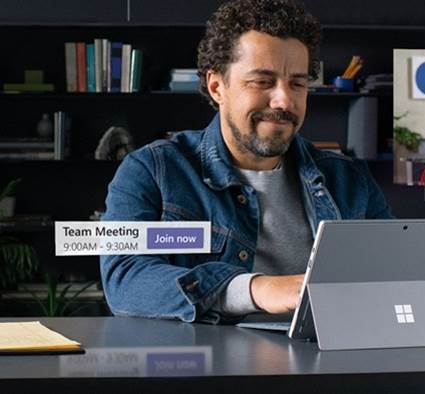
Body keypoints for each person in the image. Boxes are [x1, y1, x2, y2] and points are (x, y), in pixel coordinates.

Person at [100, 0, 392, 323]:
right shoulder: (152, 171)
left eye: (297, 83)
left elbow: (399, 273)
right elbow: (123, 278)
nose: (283, 100)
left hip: (329, 368)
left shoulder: (350, 180)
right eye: (262, 82)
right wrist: (255, 290)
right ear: (216, 87)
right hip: (209, 369)